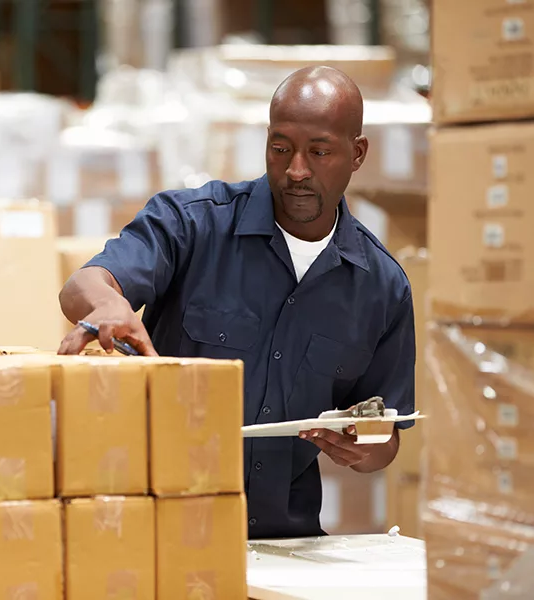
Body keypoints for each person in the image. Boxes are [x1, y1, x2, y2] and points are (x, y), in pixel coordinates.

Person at [57, 66, 415, 539]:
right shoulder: (191, 225)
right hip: (162, 531)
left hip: (284, 543)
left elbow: (384, 439)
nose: (296, 171)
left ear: (358, 153)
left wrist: (362, 446)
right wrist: (106, 304)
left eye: (320, 151)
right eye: (280, 148)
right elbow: (83, 285)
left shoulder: (382, 288)